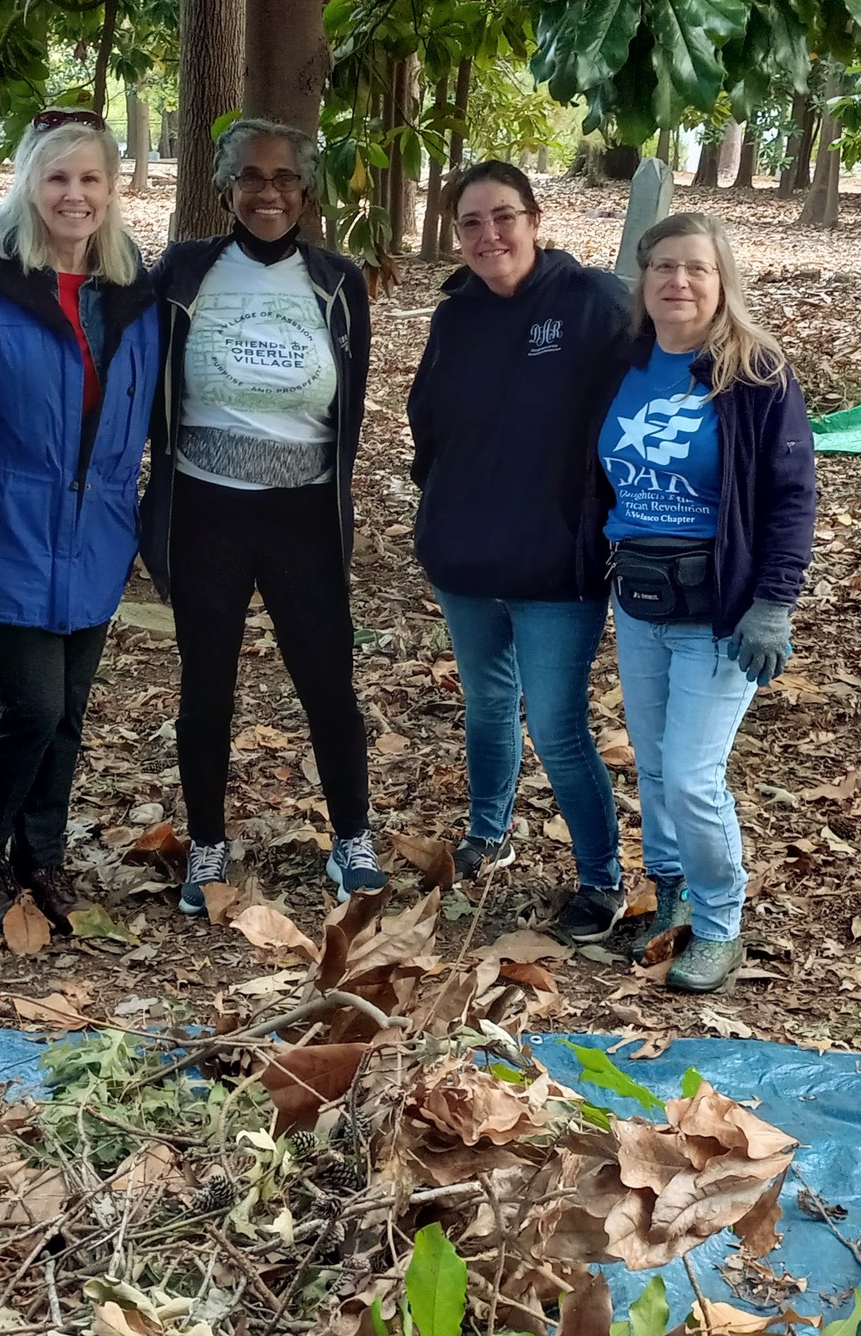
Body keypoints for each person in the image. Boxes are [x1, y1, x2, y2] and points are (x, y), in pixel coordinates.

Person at [0, 110, 160, 933]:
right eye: (57, 177)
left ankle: (43, 857)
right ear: (27, 181)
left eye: (91, 178)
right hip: (4, 525)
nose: (75, 194)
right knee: (28, 706)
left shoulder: (133, 288)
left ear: (112, 188)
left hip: (95, 533)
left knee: (68, 710)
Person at [141, 119, 383, 910]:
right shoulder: (183, 272)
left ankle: (353, 838)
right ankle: (207, 846)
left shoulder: (338, 280)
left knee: (328, 683)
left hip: (304, 514)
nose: (268, 191)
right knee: (206, 684)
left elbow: (350, 401)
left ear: (306, 192)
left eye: (284, 179)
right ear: (224, 190)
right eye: (250, 177)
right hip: (205, 509)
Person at [406, 160, 635, 943]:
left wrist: (600, 513)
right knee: (487, 704)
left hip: (556, 563)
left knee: (559, 727)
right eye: (470, 223)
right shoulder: (456, 315)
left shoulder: (593, 303)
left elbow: (637, 408)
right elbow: (426, 419)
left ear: (535, 219)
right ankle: (485, 832)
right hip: (466, 555)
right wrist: (437, 501)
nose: (488, 235)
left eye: (503, 216)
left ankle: (601, 878)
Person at [598, 211, 815, 993]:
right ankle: (670, 897)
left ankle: (721, 925)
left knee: (693, 774)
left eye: (696, 268)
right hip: (640, 598)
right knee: (654, 766)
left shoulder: (755, 373)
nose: (678, 282)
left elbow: (791, 497)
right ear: (643, 279)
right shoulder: (625, 361)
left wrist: (775, 603)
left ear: (722, 280)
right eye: (662, 267)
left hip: (720, 607)